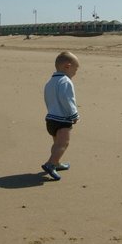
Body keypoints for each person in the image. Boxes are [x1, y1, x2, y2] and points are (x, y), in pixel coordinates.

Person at [41, 51, 80, 181]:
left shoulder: (50, 82)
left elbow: (48, 99)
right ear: (67, 66)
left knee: (56, 144)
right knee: (63, 144)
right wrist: (74, 114)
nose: (75, 72)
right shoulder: (65, 81)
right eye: (76, 69)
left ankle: (56, 162)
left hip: (51, 119)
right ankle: (50, 164)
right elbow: (67, 99)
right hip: (62, 120)